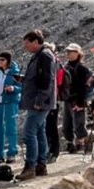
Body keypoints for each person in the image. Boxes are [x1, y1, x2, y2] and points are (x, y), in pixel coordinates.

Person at [19, 29, 56, 180]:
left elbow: (47, 80)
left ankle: (30, 166)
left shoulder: (44, 56)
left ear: (35, 41)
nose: (25, 46)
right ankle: (41, 164)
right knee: (39, 132)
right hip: (38, 101)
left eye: (27, 43)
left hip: (40, 102)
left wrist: (39, 101)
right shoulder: (39, 56)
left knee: (29, 133)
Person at [0, 52, 22, 165]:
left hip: (10, 103)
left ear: (8, 60)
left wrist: (13, 88)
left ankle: (12, 153)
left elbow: (21, 86)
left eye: (2, 60)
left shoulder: (14, 72)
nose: (0, 62)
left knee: (10, 128)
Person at [62, 44, 91, 154]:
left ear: (77, 53)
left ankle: (80, 144)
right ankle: (70, 143)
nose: (68, 54)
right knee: (67, 123)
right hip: (68, 99)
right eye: (68, 51)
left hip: (77, 99)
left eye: (71, 51)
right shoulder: (67, 67)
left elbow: (84, 87)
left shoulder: (82, 68)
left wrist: (81, 102)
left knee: (79, 122)